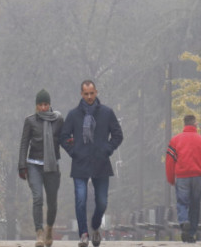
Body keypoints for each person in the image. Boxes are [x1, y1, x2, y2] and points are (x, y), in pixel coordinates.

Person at [60, 80, 124, 247]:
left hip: (101, 162)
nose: (89, 97)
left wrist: (107, 149)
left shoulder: (107, 113)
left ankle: (95, 226)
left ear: (96, 92)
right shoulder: (74, 115)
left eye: (91, 93)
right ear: (81, 94)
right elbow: (63, 136)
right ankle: (84, 234)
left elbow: (118, 135)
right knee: (80, 199)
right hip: (80, 164)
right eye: (86, 94)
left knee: (102, 201)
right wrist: (74, 152)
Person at [18, 89, 65, 247]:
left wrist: (74, 148)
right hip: (34, 165)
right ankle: (39, 232)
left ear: (50, 104)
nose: (43, 108)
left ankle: (49, 229)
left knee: (52, 202)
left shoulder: (58, 120)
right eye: (40, 105)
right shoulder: (30, 121)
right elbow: (24, 143)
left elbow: (64, 139)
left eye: (46, 104)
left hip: (52, 167)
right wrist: (22, 165)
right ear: (36, 106)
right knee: (38, 198)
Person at [165, 114, 201, 243]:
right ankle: (191, 234)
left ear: (184, 124)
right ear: (195, 125)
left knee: (182, 203)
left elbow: (169, 162)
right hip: (197, 178)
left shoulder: (175, 140)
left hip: (182, 177)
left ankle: (184, 222)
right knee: (195, 206)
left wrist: (171, 178)